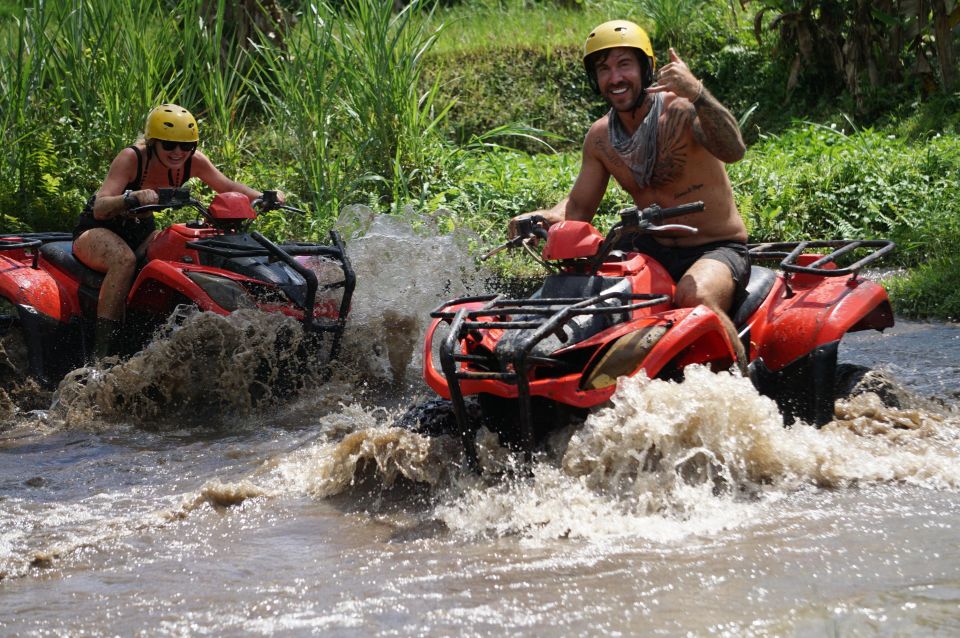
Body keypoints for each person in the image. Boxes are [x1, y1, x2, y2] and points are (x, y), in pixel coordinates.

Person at [509, 19, 750, 371]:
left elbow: (734, 149)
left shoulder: (681, 111)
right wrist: (540, 218)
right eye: (604, 69)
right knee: (592, 294)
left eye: (624, 64)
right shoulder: (601, 138)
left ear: (645, 68)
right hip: (652, 249)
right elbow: (577, 208)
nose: (615, 78)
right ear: (596, 80)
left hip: (716, 247)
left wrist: (697, 92)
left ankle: (739, 382)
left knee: (694, 296)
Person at [72, 103, 281, 358]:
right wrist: (131, 198)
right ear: (153, 143)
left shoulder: (193, 162)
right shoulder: (132, 158)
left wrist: (264, 197)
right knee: (124, 260)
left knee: (175, 253)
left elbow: (225, 185)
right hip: (99, 228)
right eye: (169, 145)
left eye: (186, 146)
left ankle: (152, 334)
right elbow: (101, 207)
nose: (177, 152)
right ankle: (102, 352)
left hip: (142, 229)